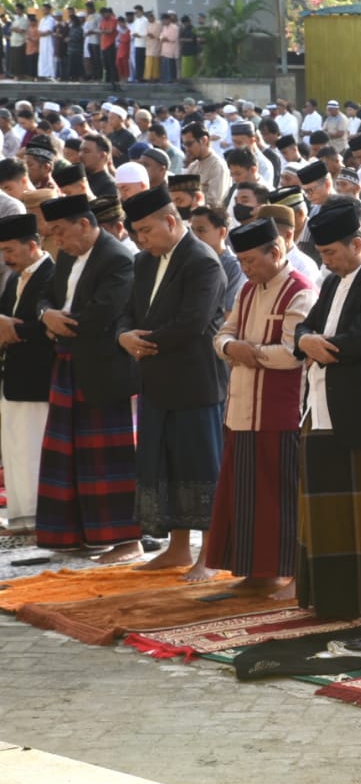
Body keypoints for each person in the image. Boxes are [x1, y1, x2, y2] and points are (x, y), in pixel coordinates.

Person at [293, 201, 361, 620]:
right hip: (320, 410)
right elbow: (306, 325)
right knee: (325, 513)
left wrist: (317, 346)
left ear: (357, 244)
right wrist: (305, 341)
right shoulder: (331, 282)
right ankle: (332, 599)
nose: (326, 260)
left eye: (331, 253)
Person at [114, 186, 227, 569]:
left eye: (146, 230)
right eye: (136, 233)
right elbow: (128, 311)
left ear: (169, 221)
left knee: (201, 468)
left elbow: (192, 323)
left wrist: (143, 343)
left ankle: (210, 552)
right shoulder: (144, 262)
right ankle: (178, 548)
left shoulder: (202, 261)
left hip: (195, 383)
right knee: (165, 466)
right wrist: (124, 336)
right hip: (155, 381)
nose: (141, 239)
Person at [203, 218, 316, 593]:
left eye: (252, 260)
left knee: (281, 496)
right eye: (242, 262)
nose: (246, 269)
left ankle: (291, 573)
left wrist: (247, 353)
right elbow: (223, 333)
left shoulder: (300, 291)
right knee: (245, 496)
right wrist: (230, 349)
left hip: (280, 413)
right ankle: (257, 572)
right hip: (241, 411)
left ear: (277, 251)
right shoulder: (248, 291)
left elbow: (293, 353)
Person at [35, 194, 141, 555]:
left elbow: (104, 314)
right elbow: (45, 297)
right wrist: (45, 315)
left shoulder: (117, 258)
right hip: (67, 363)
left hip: (102, 371)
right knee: (67, 457)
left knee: (108, 462)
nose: (57, 241)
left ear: (84, 224)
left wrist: (58, 323)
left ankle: (126, 540)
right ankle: (74, 535)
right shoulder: (65, 255)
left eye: (61, 232)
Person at [0, 213, 55, 534]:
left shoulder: (51, 275)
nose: (6, 259)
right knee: (15, 449)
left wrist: (11, 329)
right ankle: (22, 518)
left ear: (32, 245)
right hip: (13, 378)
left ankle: (41, 519)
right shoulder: (14, 279)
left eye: (10, 250)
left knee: (35, 450)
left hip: (38, 378)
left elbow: (49, 324)